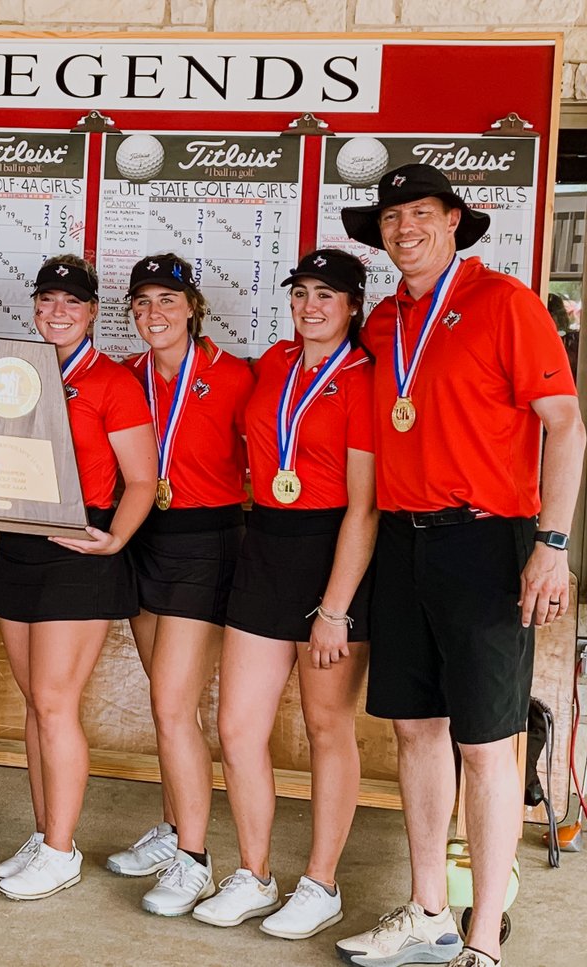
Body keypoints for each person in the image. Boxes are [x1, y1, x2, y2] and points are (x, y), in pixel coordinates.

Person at [335, 165, 585, 967]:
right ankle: (429, 912)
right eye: (391, 217)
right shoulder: (382, 322)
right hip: (404, 543)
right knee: (416, 731)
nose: (403, 227)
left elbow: (566, 424)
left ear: (453, 220)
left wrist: (552, 544)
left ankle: (481, 939)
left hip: (489, 541)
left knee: (486, 742)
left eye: (419, 213)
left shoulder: (505, 302)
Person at [192, 249, 376, 940]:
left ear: (353, 305)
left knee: (328, 727)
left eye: (326, 294)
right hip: (264, 546)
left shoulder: (365, 378)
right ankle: (254, 871)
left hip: (335, 556)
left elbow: (365, 508)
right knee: (237, 726)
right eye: (301, 292)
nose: (311, 306)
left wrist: (334, 609)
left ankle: (321, 882)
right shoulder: (273, 363)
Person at [0, 254, 157, 901]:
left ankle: (62, 849)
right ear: (36, 307)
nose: (57, 312)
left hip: (80, 546)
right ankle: (43, 832)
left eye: (72, 302)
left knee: (57, 703)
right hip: (20, 540)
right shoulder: (15, 376)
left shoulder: (112, 380)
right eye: (47, 300)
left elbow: (140, 479)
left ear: (91, 312)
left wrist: (115, 536)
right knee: (36, 703)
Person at [107, 253, 254, 916]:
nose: (153, 314)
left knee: (171, 704)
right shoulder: (125, 378)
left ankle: (195, 858)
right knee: (172, 705)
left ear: (193, 307)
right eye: (142, 303)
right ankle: (173, 831)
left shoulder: (236, 377)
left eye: (167, 300)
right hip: (144, 535)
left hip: (207, 540)